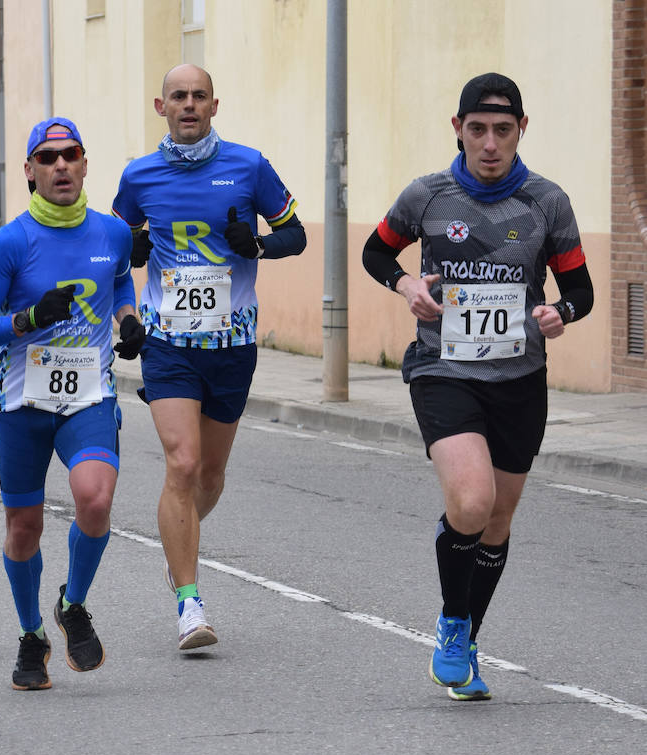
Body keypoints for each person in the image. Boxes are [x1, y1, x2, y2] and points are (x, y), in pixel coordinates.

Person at [362, 73, 593, 700]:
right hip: (444, 369)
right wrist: (406, 285)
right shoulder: (428, 196)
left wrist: (560, 315)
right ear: (458, 129)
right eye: (477, 130)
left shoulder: (548, 202)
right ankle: (454, 623)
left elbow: (580, 290)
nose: (490, 143)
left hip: (520, 378)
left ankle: (465, 636)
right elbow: (376, 253)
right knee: (470, 501)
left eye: (503, 130)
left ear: (522, 130)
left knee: (498, 518)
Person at [112, 64, 307, 651]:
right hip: (169, 344)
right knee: (182, 464)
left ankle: (178, 546)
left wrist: (260, 246)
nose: (189, 105)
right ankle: (188, 602)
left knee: (210, 475)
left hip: (231, 344)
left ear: (215, 105)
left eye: (199, 96)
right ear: (160, 106)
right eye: (179, 97)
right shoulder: (139, 175)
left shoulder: (249, 165)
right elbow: (112, 247)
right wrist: (133, 247)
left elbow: (295, 233)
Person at [0, 118, 136, 690]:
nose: (61, 166)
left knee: (95, 500)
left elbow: (122, 285)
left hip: (88, 395)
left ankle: (73, 603)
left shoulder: (113, 233)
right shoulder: (10, 242)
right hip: (21, 402)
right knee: (24, 527)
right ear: (30, 172)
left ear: (85, 165)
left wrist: (129, 323)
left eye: (71, 155)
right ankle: (32, 633)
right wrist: (30, 319)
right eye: (48, 158)